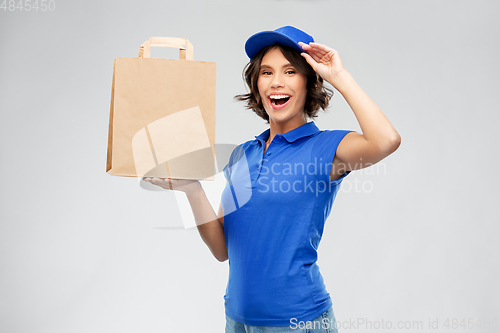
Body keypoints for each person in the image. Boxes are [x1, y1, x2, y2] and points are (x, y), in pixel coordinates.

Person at [143, 26, 400, 332]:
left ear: (310, 81)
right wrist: (191, 189)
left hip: (297, 322)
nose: (276, 81)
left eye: (290, 71)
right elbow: (224, 250)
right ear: (256, 84)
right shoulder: (242, 154)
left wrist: (339, 76)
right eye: (266, 72)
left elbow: (386, 140)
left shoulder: (325, 149)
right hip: (237, 319)